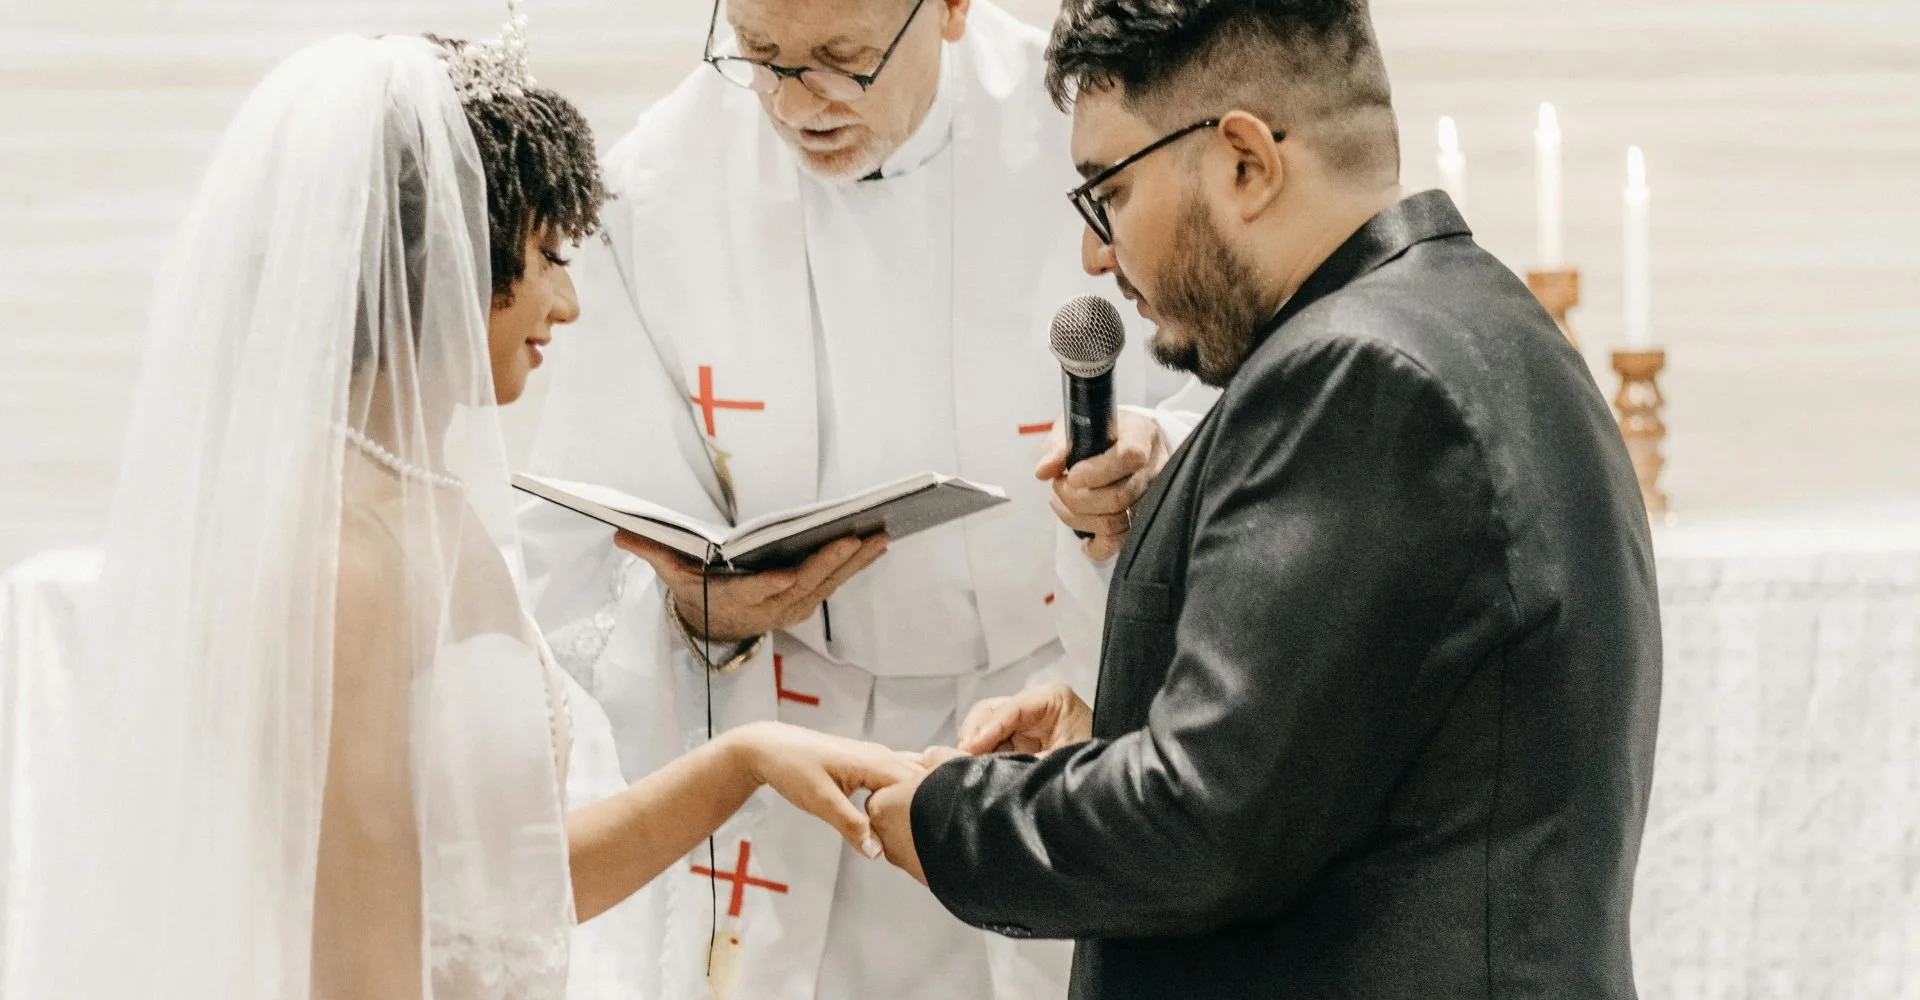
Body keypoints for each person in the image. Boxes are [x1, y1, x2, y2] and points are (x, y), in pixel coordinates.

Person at [2, 30, 921, 1000]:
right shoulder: (340, 558)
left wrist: (745, 759)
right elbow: (356, 965)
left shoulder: (423, 503)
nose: (567, 303)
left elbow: (503, 897)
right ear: (448, 255)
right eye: (549, 255)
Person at [865, 0, 1665, 997]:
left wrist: (949, 815)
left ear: (1244, 161)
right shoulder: (1485, 325)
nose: (1095, 257)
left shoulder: (1356, 377)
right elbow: (1331, 774)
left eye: (1106, 192)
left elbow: (1201, 825)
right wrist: (1101, 740)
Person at [517, 0, 1215, 997]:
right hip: (802, 760)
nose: (802, 104)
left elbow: (1246, 392)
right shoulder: (661, 187)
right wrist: (695, 617)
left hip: (1061, 708)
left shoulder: (1103, 122)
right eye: (761, 57)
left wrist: (1159, 461)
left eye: (845, 58)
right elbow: (584, 549)